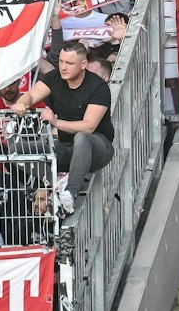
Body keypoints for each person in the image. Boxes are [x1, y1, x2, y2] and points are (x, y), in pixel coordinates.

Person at [11, 42, 113, 201]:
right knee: (16, 148)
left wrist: (56, 122)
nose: (64, 67)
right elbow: (31, 95)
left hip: (98, 148)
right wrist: (22, 103)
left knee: (82, 137)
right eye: (61, 61)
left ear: (83, 64)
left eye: (70, 63)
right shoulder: (54, 77)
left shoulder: (98, 87)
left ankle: (70, 193)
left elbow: (89, 126)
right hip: (66, 147)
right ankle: (54, 183)